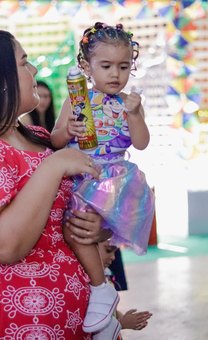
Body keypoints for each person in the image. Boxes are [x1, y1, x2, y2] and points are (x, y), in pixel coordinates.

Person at [0, 30, 111, 338]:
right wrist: (55, 166)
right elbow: (6, 246)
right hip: (22, 323)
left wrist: (96, 227)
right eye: (24, 63)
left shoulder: (40, 137)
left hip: (77, 314)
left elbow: (64, 214)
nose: (34, 70)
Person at [50, 22, 155, 334]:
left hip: (114, 181)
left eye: (123, 67)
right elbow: (55, 140)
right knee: (82, 236)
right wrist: (67, 130)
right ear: (86, 66)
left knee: (80, 230)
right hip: (83, 173)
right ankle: (102, 296)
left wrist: (135, 115)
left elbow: (141, 142)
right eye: (106, 66)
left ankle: (100, 288)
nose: (115, 74)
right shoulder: (76, 100)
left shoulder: (127, 103)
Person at [93, 240, 152, 339]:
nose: (113, 257)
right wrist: (122, 323)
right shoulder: (89, 285)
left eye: (115, 252)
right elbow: (96, 328)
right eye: (108, 250)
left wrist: (125, 318)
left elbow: (112, 313)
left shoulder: (106, 277)